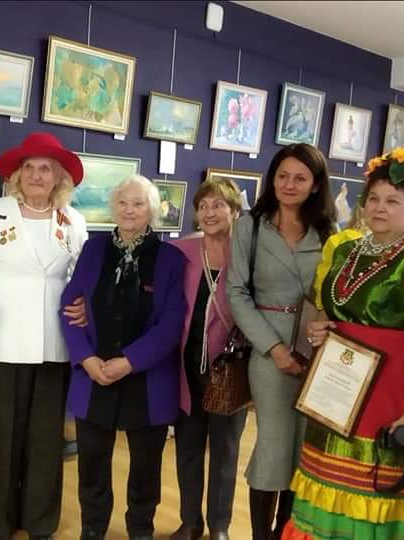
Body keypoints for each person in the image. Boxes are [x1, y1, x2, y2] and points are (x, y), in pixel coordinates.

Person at [284, 148, 404, 540]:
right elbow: (326, 310)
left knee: (374, 484)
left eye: (393, 201)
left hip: (391, 391)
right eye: (373, 198)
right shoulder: (343, 248)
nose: (380, 208)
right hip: (335, 389)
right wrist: (320, 328)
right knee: (324, 475)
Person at [0, 131, 89, 540]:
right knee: (1, 435)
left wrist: (85, 306)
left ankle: (40, 521)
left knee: (45, 437)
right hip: (2, 340)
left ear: (59, 177)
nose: (37, 175)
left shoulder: (73, 220)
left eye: (46, 168)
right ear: (17, 175)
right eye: (29, 168)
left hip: (55, 342)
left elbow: (81, 278)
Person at [60, 175, 187, 540]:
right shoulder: (93, 249)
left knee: (146, 467)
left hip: (147, 379)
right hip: (94, 375)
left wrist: (129, 361)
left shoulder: (171, 259)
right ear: (113, 208)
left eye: (139, 204)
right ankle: (93, 527)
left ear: (152, 211)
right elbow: (68, 306)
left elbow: (171, 324)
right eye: (123, 203)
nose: (130, 210)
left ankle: (140, 528)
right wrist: (86, 358)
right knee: (92, 463)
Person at [227, 144, 336, 540]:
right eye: (282, 176)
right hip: (268, 346)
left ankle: (285, 532)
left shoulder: (328, 231)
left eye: (300, 178)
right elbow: (236, 292)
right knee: (273, 445)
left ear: (316, 185)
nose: (289, 184)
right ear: (272, 179)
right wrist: (274, 349)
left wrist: (325, 325)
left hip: (315, 347)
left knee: (302, 446)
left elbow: (333, 291)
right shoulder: (251, 226)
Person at [169, 178, 247, 540]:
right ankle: (190, 521)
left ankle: (219, 526)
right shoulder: (182, 250)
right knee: (187, 449)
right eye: (203, 206)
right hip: (186, 369)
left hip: (229, 371)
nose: (209, 212)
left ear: (234, 211)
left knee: (225, 452)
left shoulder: (246, 254)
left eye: (218, 205)